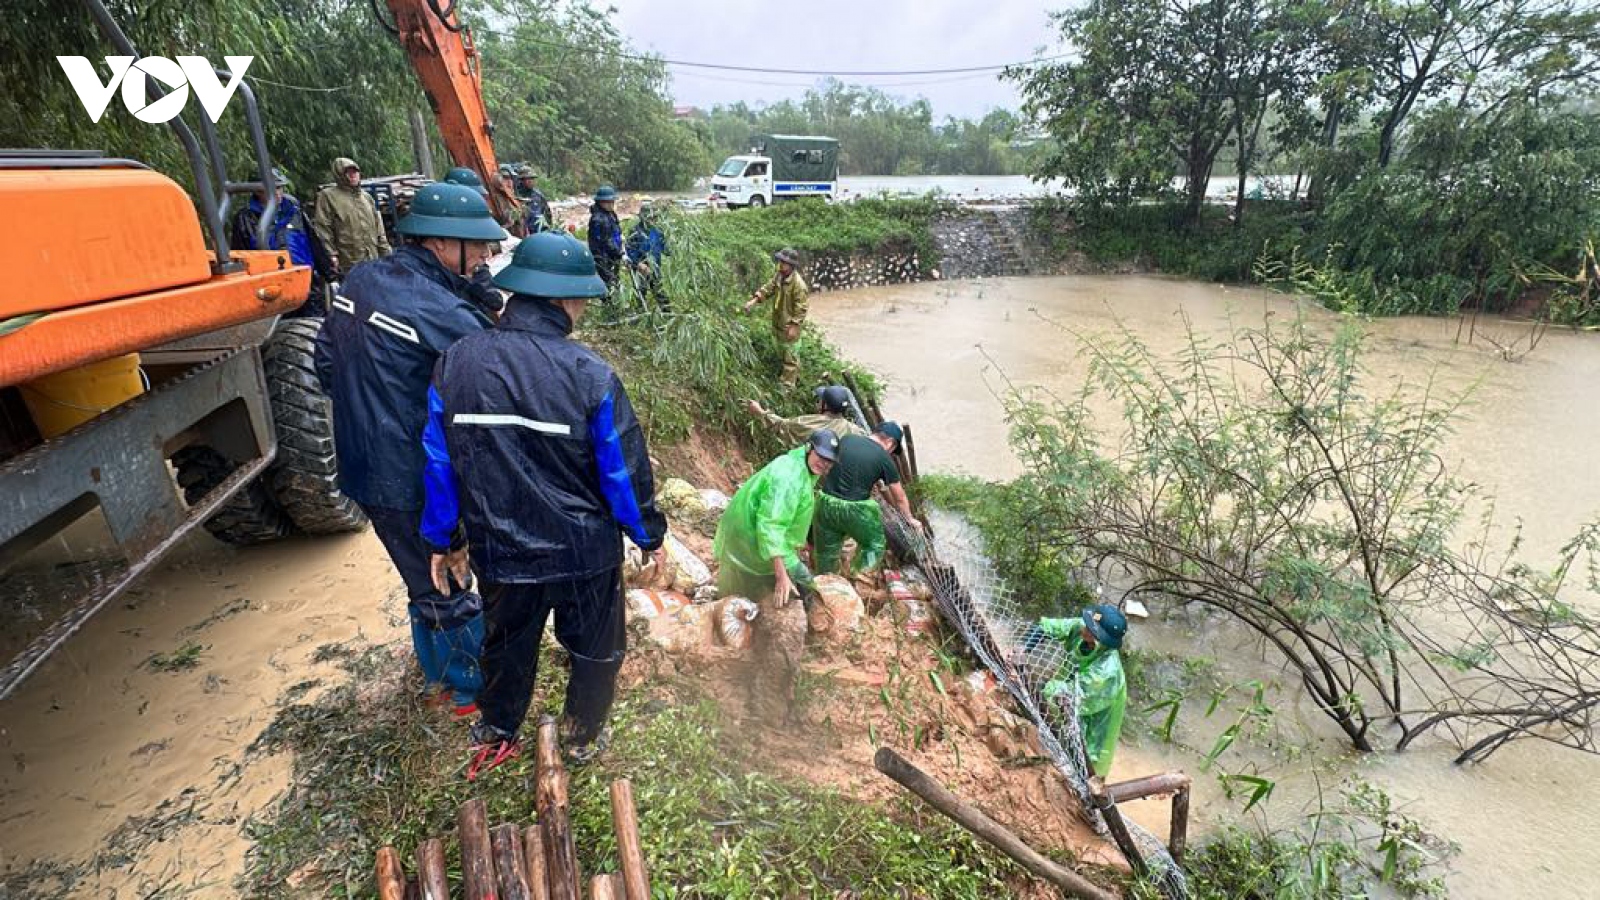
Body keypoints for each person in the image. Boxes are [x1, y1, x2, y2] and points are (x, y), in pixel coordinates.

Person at [422, 231, 668, 778]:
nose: (582, 308)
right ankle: (581, 737)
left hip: (502, 549)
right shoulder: (590, 375)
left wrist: (444, 539)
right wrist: (648, 534)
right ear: (562, 300)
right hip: (583, 551)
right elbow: (621, 471)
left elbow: (439, 464)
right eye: (580, 297)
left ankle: (498, 729)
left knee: (506, 643)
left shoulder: (456, 363)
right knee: (595, 650)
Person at [314, 182, 507, 719]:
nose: (486, 258)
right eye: (479, 246)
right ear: (443, 244)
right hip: (415, 474)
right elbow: (485, 405)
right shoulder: (444, 314)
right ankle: (472, 692)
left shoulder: (362, 277)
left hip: (362, 462)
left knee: (419, 574)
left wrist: (368, 410)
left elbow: (324, 361)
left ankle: (437, 678)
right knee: (451, 576)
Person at [713, 429, 838, 607]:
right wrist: (781, 576)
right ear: (809, 448)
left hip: (766, 539)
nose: (824, 464)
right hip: (749, 536)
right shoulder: (789, 477)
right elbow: (771, 526)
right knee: (737, 598)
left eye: (829, 461)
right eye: (821, 457)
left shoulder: (803, 468)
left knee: (803, 582)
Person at [1031, 604, 1128, 778]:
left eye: (1092, 629)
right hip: (1068, 699)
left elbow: (1068, 696)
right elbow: (1044, 627)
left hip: (1094, 722)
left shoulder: (1106, 674)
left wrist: (1033, 685)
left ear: (1101, 640)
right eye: (1088, 623)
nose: (1085, 628)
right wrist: (1024, 649)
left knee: (1085, 766)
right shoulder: (1082, 628)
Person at [814, 421, 919, 578]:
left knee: (826, 552)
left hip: (825, 503)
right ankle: (859, 579)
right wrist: (909, 519)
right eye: (892, 450)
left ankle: (825, 583)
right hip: (855, 510)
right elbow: (900, 497)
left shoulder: (846, 439)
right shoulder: (884, 458)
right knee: (874, 545)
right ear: (890, 442)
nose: (890, 453)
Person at [229, 167, 331, 315]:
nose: (278, 193)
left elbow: (314, 244)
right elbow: (241, 257)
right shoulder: (245, 219)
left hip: (307, 287)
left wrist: (330, 275)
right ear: (258, 191)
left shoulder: (294, 211)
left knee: (314, 327)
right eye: (272, 189)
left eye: (280, 188)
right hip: (272, 291)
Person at [311, 156, 391, 277]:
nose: (353, 175)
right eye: (348, 172)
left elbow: (379, 228)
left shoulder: (366, 198)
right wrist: (331, 254)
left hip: (372, 260)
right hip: (348, 262)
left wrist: (387, 253)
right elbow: (323, 227)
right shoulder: (328, 196)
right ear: (340, 175)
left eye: (355, 171)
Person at [743, 247, 808, 385]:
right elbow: (769, 288)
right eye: (780, 261)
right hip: (779, 322)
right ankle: (796, 378)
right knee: (783, 352)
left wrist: (794, 326)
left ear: (791, 265)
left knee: (790, 357)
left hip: (789, 325)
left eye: (784, 262)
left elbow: (801, 308)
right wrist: (754, 301)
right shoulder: (780, 275)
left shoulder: (798, 285)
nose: (781, 264)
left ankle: (787, 388)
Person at [746, 385, 865, 446]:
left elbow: (782, 425)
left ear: (825, 405)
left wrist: (760, 412)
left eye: (820, 400)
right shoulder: (856, 431)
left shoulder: (812, 423)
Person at [624, 198, 669, 308]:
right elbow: (629, 250)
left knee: (659, 290)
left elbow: (664, 247)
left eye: (655, 218)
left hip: (655, 267)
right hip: (641, 268)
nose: (654, 220)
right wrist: (638, 264)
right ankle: (641, 312)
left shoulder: (657, 231)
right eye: (651, 218)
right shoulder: (635, 232)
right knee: (641, 291)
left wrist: (673, 252)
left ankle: (667, 313)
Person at [586, 185, 624, 295]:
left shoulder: (611, 214)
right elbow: (605, 241)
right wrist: (619, 253)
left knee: (615, 280)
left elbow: (616, 231)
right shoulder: (597, 220)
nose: (612, 204)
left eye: (613, 201)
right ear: (601, 202)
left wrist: (621, 240)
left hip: (614, 255)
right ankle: (609, 305)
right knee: (607, 283)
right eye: (609, 202)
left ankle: (616, 304)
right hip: (603, 257)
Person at [514, 165, 553, 234]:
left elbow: (547, 214)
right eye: (527, 179)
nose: (530, 181)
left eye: (532, 178)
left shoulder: (538, 195)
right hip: (521, 233)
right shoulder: (515, 195)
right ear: (521, 180)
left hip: (538, 233)